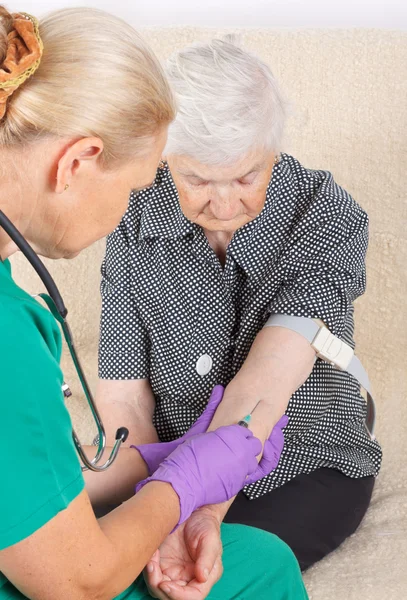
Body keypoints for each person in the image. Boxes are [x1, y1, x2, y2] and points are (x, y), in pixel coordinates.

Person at [0, 7, 309, 600]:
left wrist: (152, 464)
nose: (131, 211)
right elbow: (79, 582)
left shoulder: (320, 211)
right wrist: (184, 481)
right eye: (138, 188)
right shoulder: (5, 339)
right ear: (77, 162)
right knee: (264, 565)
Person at [96, 36, 383, 573]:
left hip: (304, 456)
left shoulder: (326, 215)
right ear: (165, 158)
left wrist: (187, 512)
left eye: (247, 177)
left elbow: (262, 391)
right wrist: (106, 500)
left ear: (273, 152)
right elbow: (126, 407)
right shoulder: (134, 215)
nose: (224, 203)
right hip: (169, 455)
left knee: (204, 568)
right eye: (197, 179)